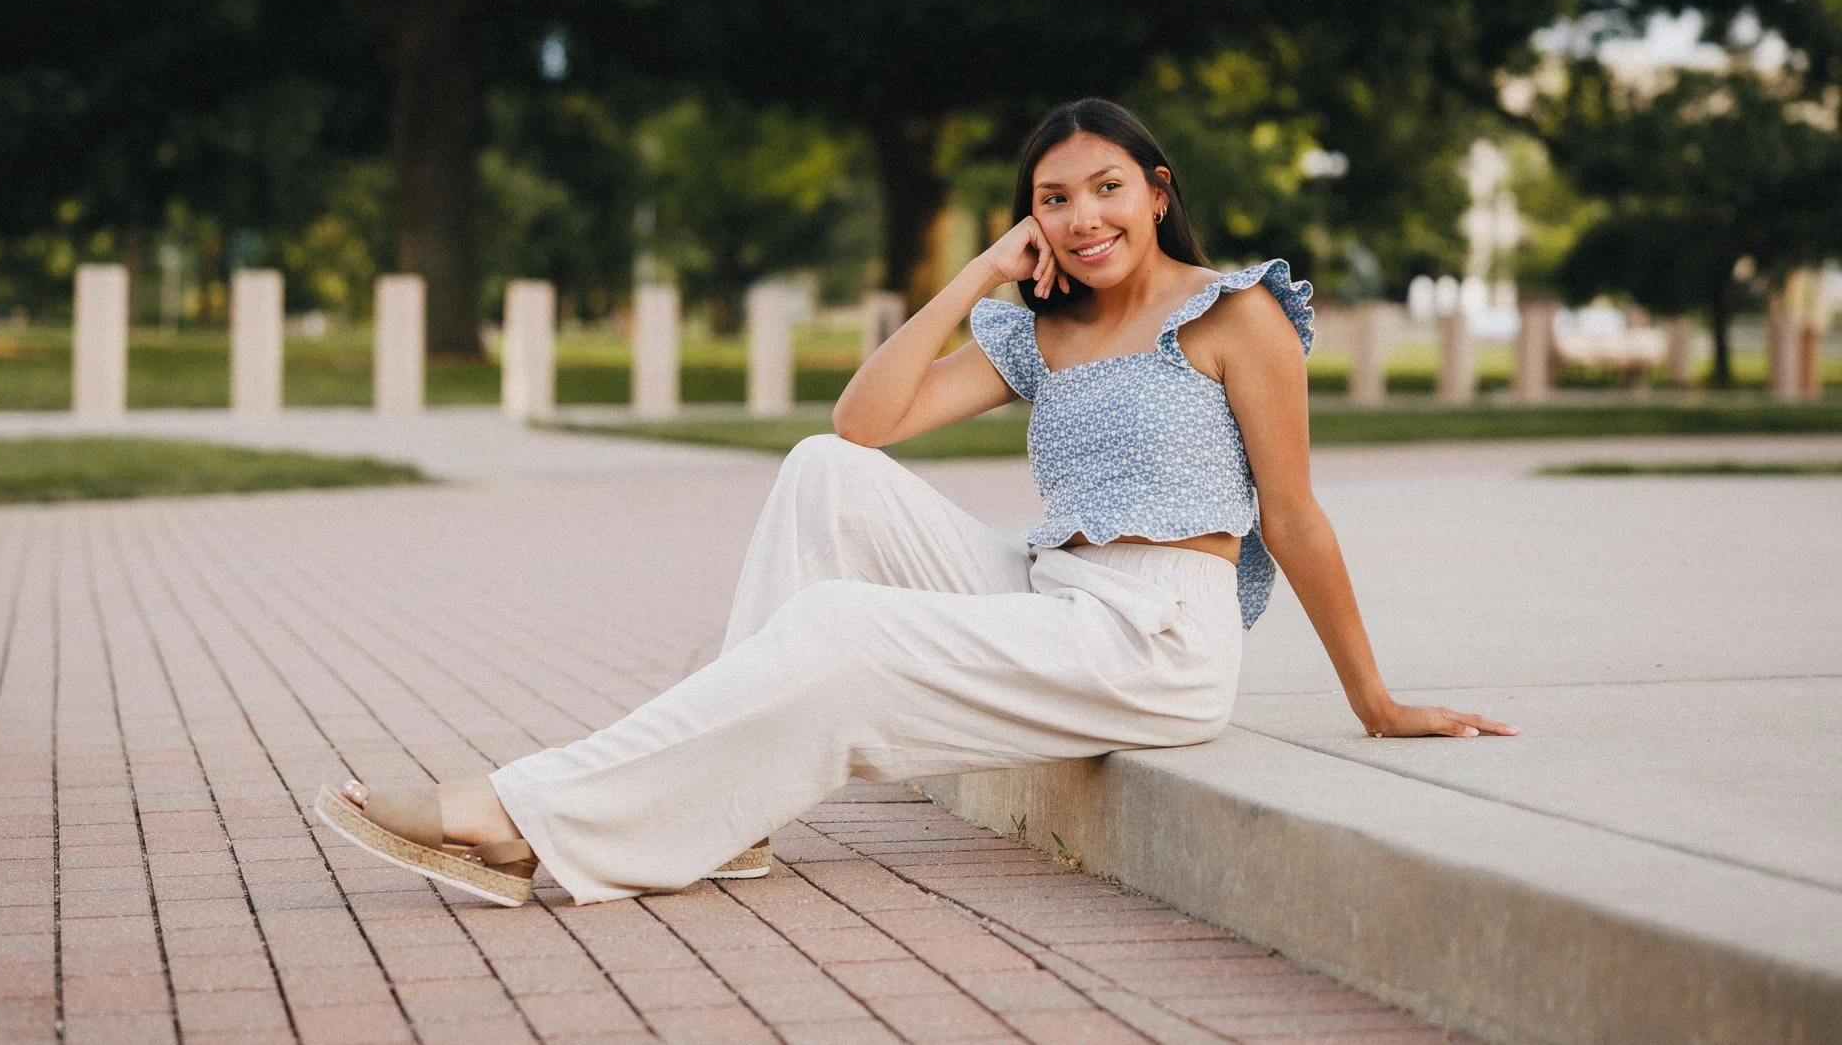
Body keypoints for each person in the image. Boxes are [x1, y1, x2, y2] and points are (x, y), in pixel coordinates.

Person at [317, 97, 1516, 908]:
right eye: (1052, 200)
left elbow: (1294, 515)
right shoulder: (1041, 330)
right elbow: (863, 422)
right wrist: (978, 276)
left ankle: (515, 812)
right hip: (1055, 595)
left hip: (1157, 637)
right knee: (818, 471)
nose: (1081, 218)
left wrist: (1375, 699)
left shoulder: (1235, 313)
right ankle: (722, 817)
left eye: (1106, 189)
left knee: (843, 632)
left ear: (1156, 191)